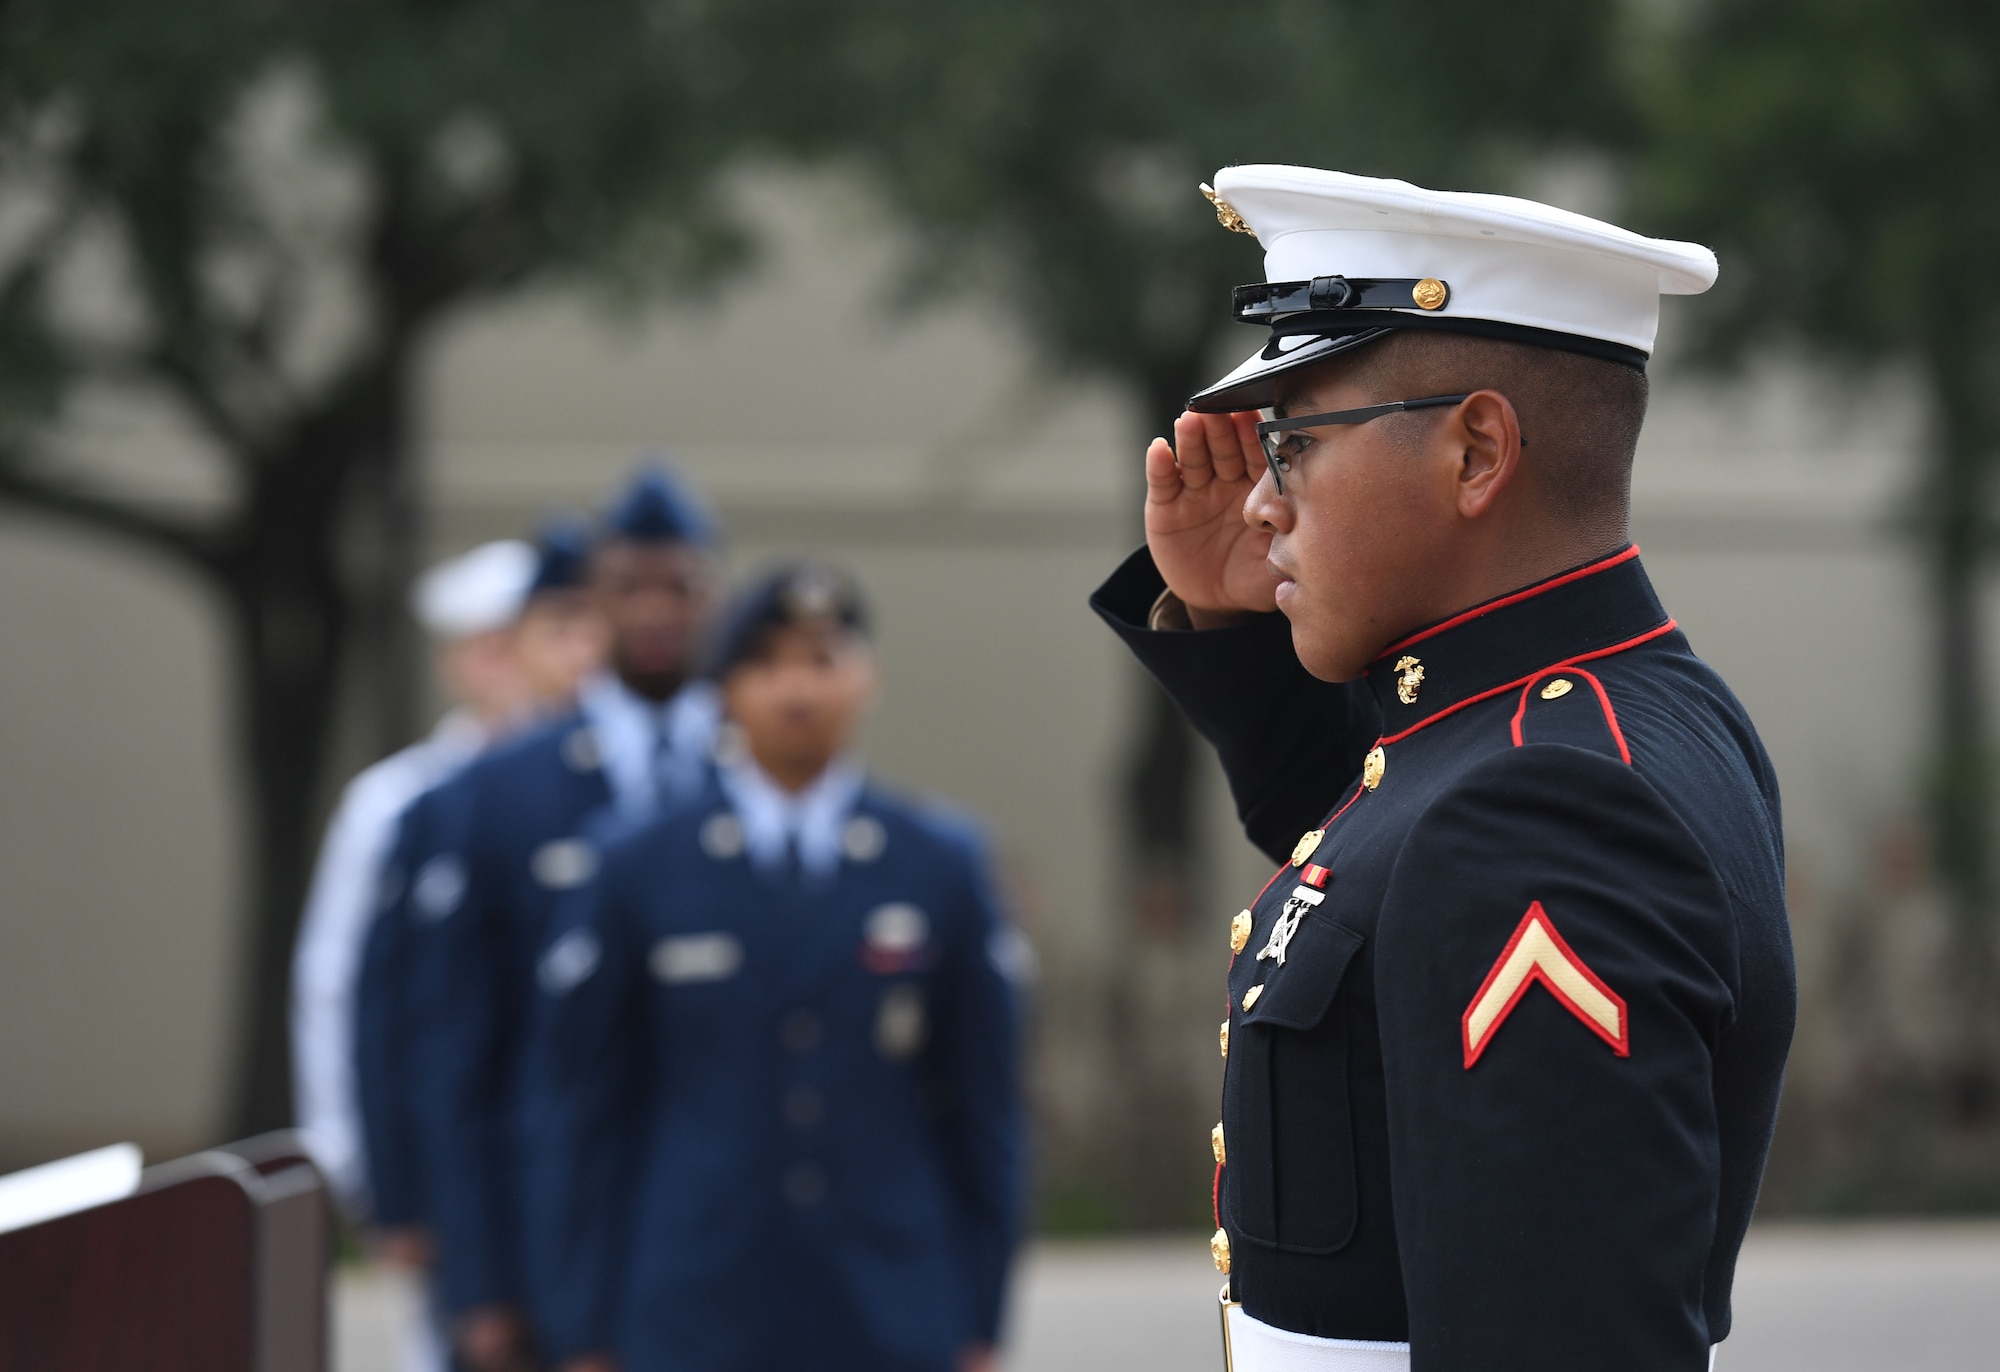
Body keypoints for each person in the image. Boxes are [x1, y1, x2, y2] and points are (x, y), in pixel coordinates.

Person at [1089, 166, 1793, 1371]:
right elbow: (1374, 855)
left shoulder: (1540, 810)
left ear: (1475, 451)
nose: (1258, 501)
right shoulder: (1613, 717)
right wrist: (1234, 623)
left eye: (1292, 444)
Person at [525, 561, 1026, 1372]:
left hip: (891, 1301)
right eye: (765, 663)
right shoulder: (636, 864)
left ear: (868, 679)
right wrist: (582, 1326)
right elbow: (581, 1111)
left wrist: (982, 1315)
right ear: (721, 689)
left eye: (823, 660)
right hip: (694, 1301)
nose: (797, 689)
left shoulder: (938, 863)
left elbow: (984, 1105)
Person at [416, 466, 725, 1372]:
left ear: (718, 600)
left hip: (724, 1259)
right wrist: (475, 1283)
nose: (658, 610)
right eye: (631, 587)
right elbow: (457, 1054)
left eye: (682, 586)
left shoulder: (764, 776)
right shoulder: (498, 790)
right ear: (592, 601)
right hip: (544, 1237)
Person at [351, 519, 607, 1368]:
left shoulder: (663, 792)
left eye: (590, 625)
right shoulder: (443, 801)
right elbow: (394, 1017)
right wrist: (400, 1194)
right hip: (500, 1187)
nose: (577, 652)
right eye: (553, 629)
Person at [292, 538, 541, 1225]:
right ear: (453, 663)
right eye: (492, 649)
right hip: (442, 1150)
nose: (513, 670)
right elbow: (335, 982)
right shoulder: (398, 802)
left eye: (528, 643)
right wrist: (351, 1153)